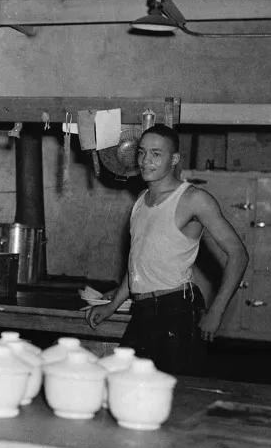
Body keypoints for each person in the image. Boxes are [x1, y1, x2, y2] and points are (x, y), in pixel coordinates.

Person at [86, 124, 249, 376]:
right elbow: (138, 264)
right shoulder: (141, 200)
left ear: (174, 159)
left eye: (155, 154)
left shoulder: (193, 199)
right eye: (141, 153)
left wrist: (216, 311)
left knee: (174, 396)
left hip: (177, 311)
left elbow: (238, 254)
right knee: (127, 384)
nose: (145, 161)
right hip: (144, 311)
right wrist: (112, 306)